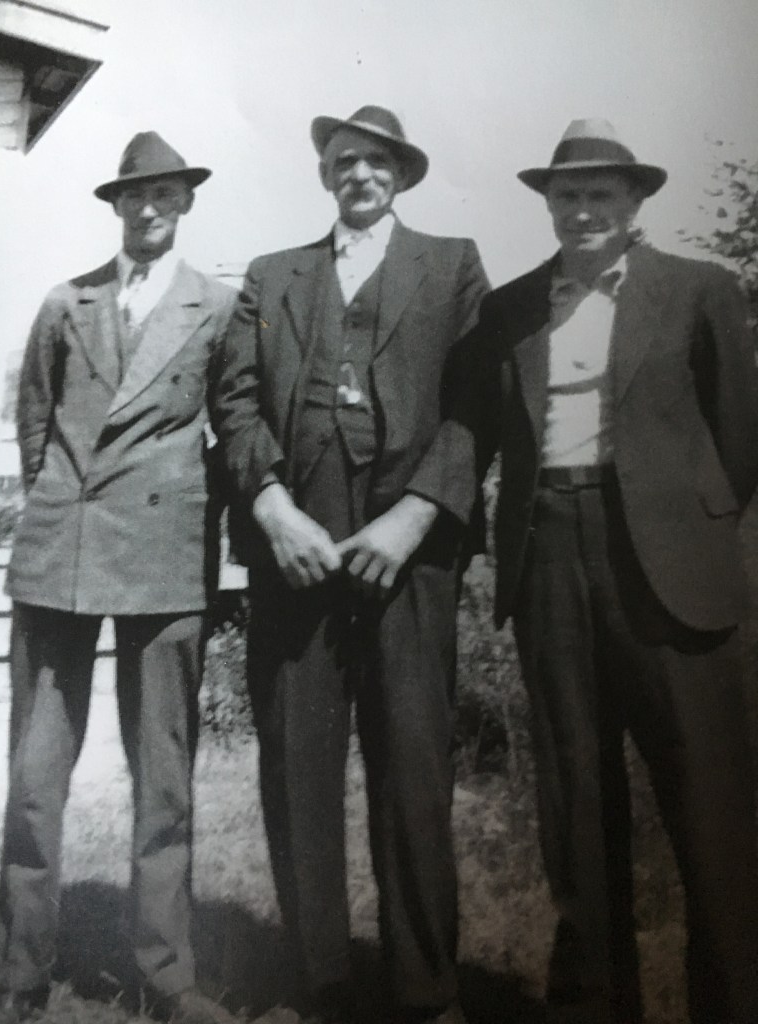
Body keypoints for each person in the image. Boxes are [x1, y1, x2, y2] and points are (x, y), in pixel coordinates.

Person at [411, 119, 758, 1024]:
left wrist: (688, 526)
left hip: (671, 564)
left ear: (635, 201)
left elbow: (739, 437)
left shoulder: (700, 290)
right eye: (567, 194)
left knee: (710, 801)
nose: (583, 209)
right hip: (549, 556)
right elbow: (478, 430)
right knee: (576, 799)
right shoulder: (513, 308)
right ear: (548, 204)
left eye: (602, 193)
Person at [218, 106, 488, 1024]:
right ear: (325, 175)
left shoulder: (451, 265)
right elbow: (235, 402)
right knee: (299, 771)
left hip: (407, 559)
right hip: (296, 551)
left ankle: (427, 991)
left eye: (376, 161)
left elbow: (477, 404)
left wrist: (415, 517)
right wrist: (271, 507)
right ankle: (318, 986)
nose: (359, 174)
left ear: (401, 174)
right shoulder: (272, 275)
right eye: (343, 161)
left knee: (413, 771)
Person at [0, 132, 250, 1024]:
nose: (149, 209)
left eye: (165, 195)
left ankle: (166, 975)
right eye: (135, 196)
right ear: (116, 206)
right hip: (60, 553)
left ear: (186, 204)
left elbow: (232, 423)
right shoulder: (68, 301)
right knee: (35, 776)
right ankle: (20, 971)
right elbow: (34, 422)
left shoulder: (219, 307)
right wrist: (64, 502)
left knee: (164, 776)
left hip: (164, 556)